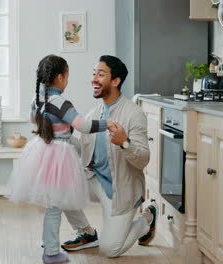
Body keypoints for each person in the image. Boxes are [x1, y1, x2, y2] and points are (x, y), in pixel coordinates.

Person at [6, 54, 115, 264]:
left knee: (60, 197)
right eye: (67, 76)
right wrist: (106, 124)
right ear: (59, 77)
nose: (67, 81)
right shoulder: (61, 102)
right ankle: (51, 250)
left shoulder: (36, 99)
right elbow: (82, 125)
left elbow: (32, 120)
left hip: (42, 150)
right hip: (60, 153)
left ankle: (86, 232)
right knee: (55, 205)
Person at [61, 55, 158, 257]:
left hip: (121, 189)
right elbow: (85, 152)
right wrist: (64, 134)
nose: (94, 79)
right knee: (59, 187)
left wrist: (124, 142)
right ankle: (86, 233)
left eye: (101, 74)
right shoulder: (93, 113)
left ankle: (146, 219)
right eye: (94, 73)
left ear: (115, 81)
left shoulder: (134, 114)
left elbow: (143, 160)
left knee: (110, 250)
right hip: (95, 180)